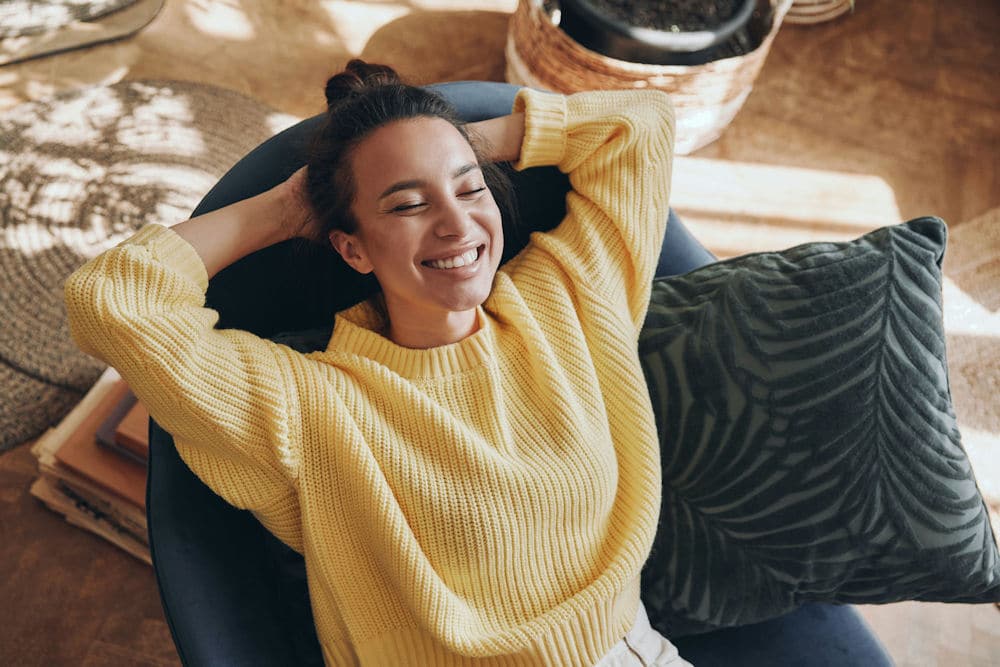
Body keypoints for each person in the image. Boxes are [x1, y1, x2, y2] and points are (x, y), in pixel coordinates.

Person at [65, 60, 689, 666]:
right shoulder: (309, 407)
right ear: (352, 247)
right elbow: (114, 301)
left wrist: (453, 141)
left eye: (470, 188)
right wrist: (288, 207)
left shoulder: (563, 299)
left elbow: (639, 123)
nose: (456, 224)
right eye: (408, 205)